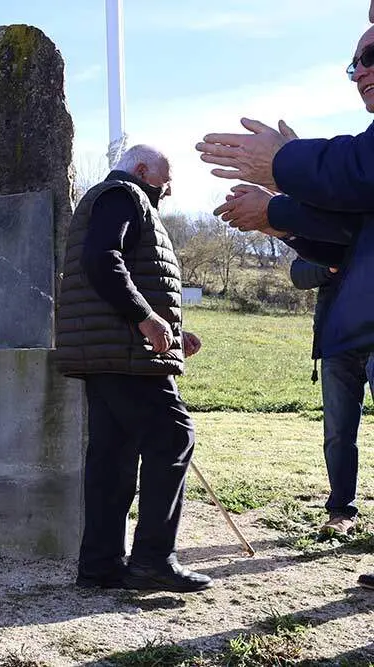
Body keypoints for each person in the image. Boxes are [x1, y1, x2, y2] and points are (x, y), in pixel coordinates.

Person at [197, 21, 374, 589]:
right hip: (348, 333)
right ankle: (339, 505)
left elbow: (354, 175)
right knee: (337, 434)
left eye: (368, 55)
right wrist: (280, 212)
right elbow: (342, 234)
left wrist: (283, 167)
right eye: (352, 64)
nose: (358, 72)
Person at [54, 145, 212, 593]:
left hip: (111, 352)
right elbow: (103, 260)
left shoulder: (117, 199)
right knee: (173, 434)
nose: (170, 186)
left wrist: (173, 334)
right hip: (126, 355)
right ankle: (152, 560)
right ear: (143, 169)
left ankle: (101, 566)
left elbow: (123, 278)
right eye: (167, 175)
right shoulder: (123, 194)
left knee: (113, 456)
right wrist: (146, 317)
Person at [291, 258, 368, 536]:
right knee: (337, 433)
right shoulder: (327, 227)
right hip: (338, 344)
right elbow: (298, 274)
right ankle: (341, 512)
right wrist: (328, 266)